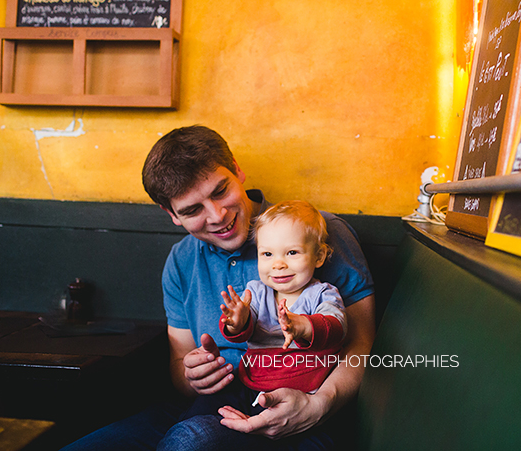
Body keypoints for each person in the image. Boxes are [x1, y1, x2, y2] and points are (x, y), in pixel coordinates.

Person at [61, 125, 375, 451]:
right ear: (171, 215)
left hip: (300, 410)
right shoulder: (181, 260)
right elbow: (180, 363)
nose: (217, 215)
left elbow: (363, 344)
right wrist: (191, 375)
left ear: (237, 170)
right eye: (192, 210)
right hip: (209, 407)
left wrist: (318, 405)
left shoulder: (315, 233)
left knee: (189, 442)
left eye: (220, 190)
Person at [163, 200, 348, 449]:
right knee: (192, 423)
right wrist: (237, 322)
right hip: (249, 385)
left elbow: (336, 327)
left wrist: (303, 326)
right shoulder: (256, 291)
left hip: (303, 392)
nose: (278, 263)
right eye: (267, 254)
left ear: (319, 256)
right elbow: (243, 329)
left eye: (292, 253)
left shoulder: (322, 294)